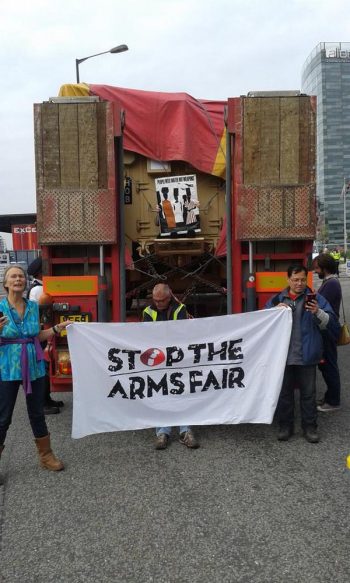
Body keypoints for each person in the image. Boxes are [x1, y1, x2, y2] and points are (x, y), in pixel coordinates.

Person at [0, 265, 69, 473]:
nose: (18, 279)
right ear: (6, 283)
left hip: (34, 367)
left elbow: (36, 336)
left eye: (21, 276)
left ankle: (46, 456)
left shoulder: (32, 306)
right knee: (4, 416)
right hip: (7, 368)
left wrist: (57, 328)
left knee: (37, 413)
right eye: (13, 276)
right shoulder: (0, 308)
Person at [265, 264, 339, 443]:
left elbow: (332, 325)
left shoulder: (317, 299)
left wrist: (318, 312)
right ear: (287, 279)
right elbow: (263, 324)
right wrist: (273, 313)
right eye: (295, 280)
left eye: (303, 280)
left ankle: (310, 428)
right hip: (283, 356)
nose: (299, 283)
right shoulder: (277, 299)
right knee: (284, 394)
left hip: (307, 354)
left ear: (307, 279)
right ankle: (285, 426)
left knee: (308, 394)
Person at [142, 283, 199, 450]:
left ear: (169, 297)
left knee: (182, 392)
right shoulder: (148, 312)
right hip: (159, 359)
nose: (158, 303)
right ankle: (162, 432)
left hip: (177, 358)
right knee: (160, 394)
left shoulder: (179, 309)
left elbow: (181, 333)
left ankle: (185, 431)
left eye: (162, 300)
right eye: (155, 300)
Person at [27, 256, 64, 415]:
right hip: (40, 331)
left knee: (45, 367)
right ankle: (42, 403)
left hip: (39, 330)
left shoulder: (36, 288)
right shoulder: (39, 290)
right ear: (41, 273)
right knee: (44, 367)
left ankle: (46, 399)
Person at [312, 253, 342, 411]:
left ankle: (333, 401)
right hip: (328, 327)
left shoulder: (331, 284)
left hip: (328, 327)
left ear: (324, 267)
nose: (316, 271)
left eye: (317, 268)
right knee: (327, 364)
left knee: (328, 364)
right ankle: (330, 397)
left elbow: (322, 305)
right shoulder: (330, 282)